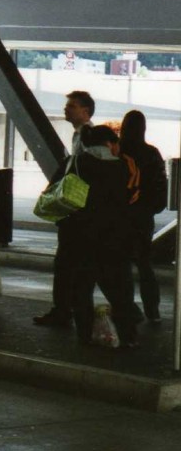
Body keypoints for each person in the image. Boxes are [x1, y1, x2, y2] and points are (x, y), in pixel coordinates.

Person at [69, 124, 139, 347]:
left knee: (82, 289)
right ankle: (127, 337)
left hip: (83, 235)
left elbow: (58, 191)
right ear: (110, 144)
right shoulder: (124, 167)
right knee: (121, 290)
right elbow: (133, 197)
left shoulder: (77, 163)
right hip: (114, 237)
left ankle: (84, 335)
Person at [34, 90, 94, 327]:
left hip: (78, 212)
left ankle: (64, 311)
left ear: (85, 111)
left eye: (72, 106)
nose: (66, 109)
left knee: (67, 263)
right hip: (80, 213)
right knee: (71, 263)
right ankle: (66, 310)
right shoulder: (81, 135)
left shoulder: (87, 136)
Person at [119, 109, 167, 323]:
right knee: (145, 264)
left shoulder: (118, 152)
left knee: (120, 265)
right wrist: (151, 207)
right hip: (143, 216)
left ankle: (127, 308)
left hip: (120, 214)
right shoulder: (152, 153)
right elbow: (160, 185)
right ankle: (153, 311)